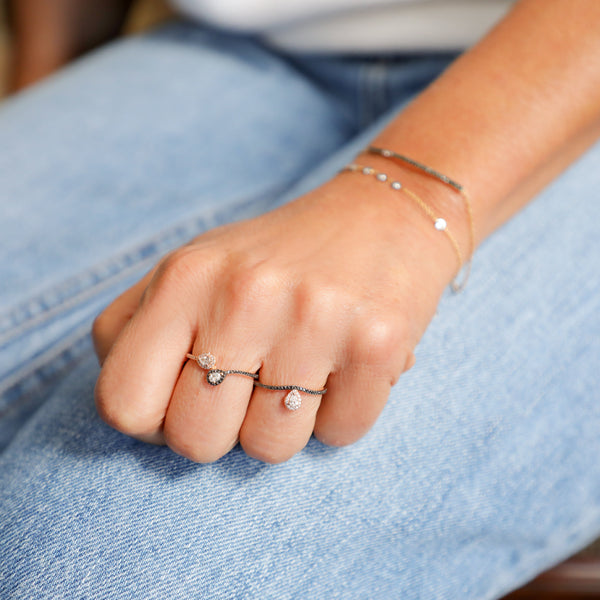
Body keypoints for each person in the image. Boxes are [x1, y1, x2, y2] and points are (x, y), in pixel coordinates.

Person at [1, 0, 599, 597]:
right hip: (241, 50)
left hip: (563, 68)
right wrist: (46, 98)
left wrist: (407, 207)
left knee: (106, 565)